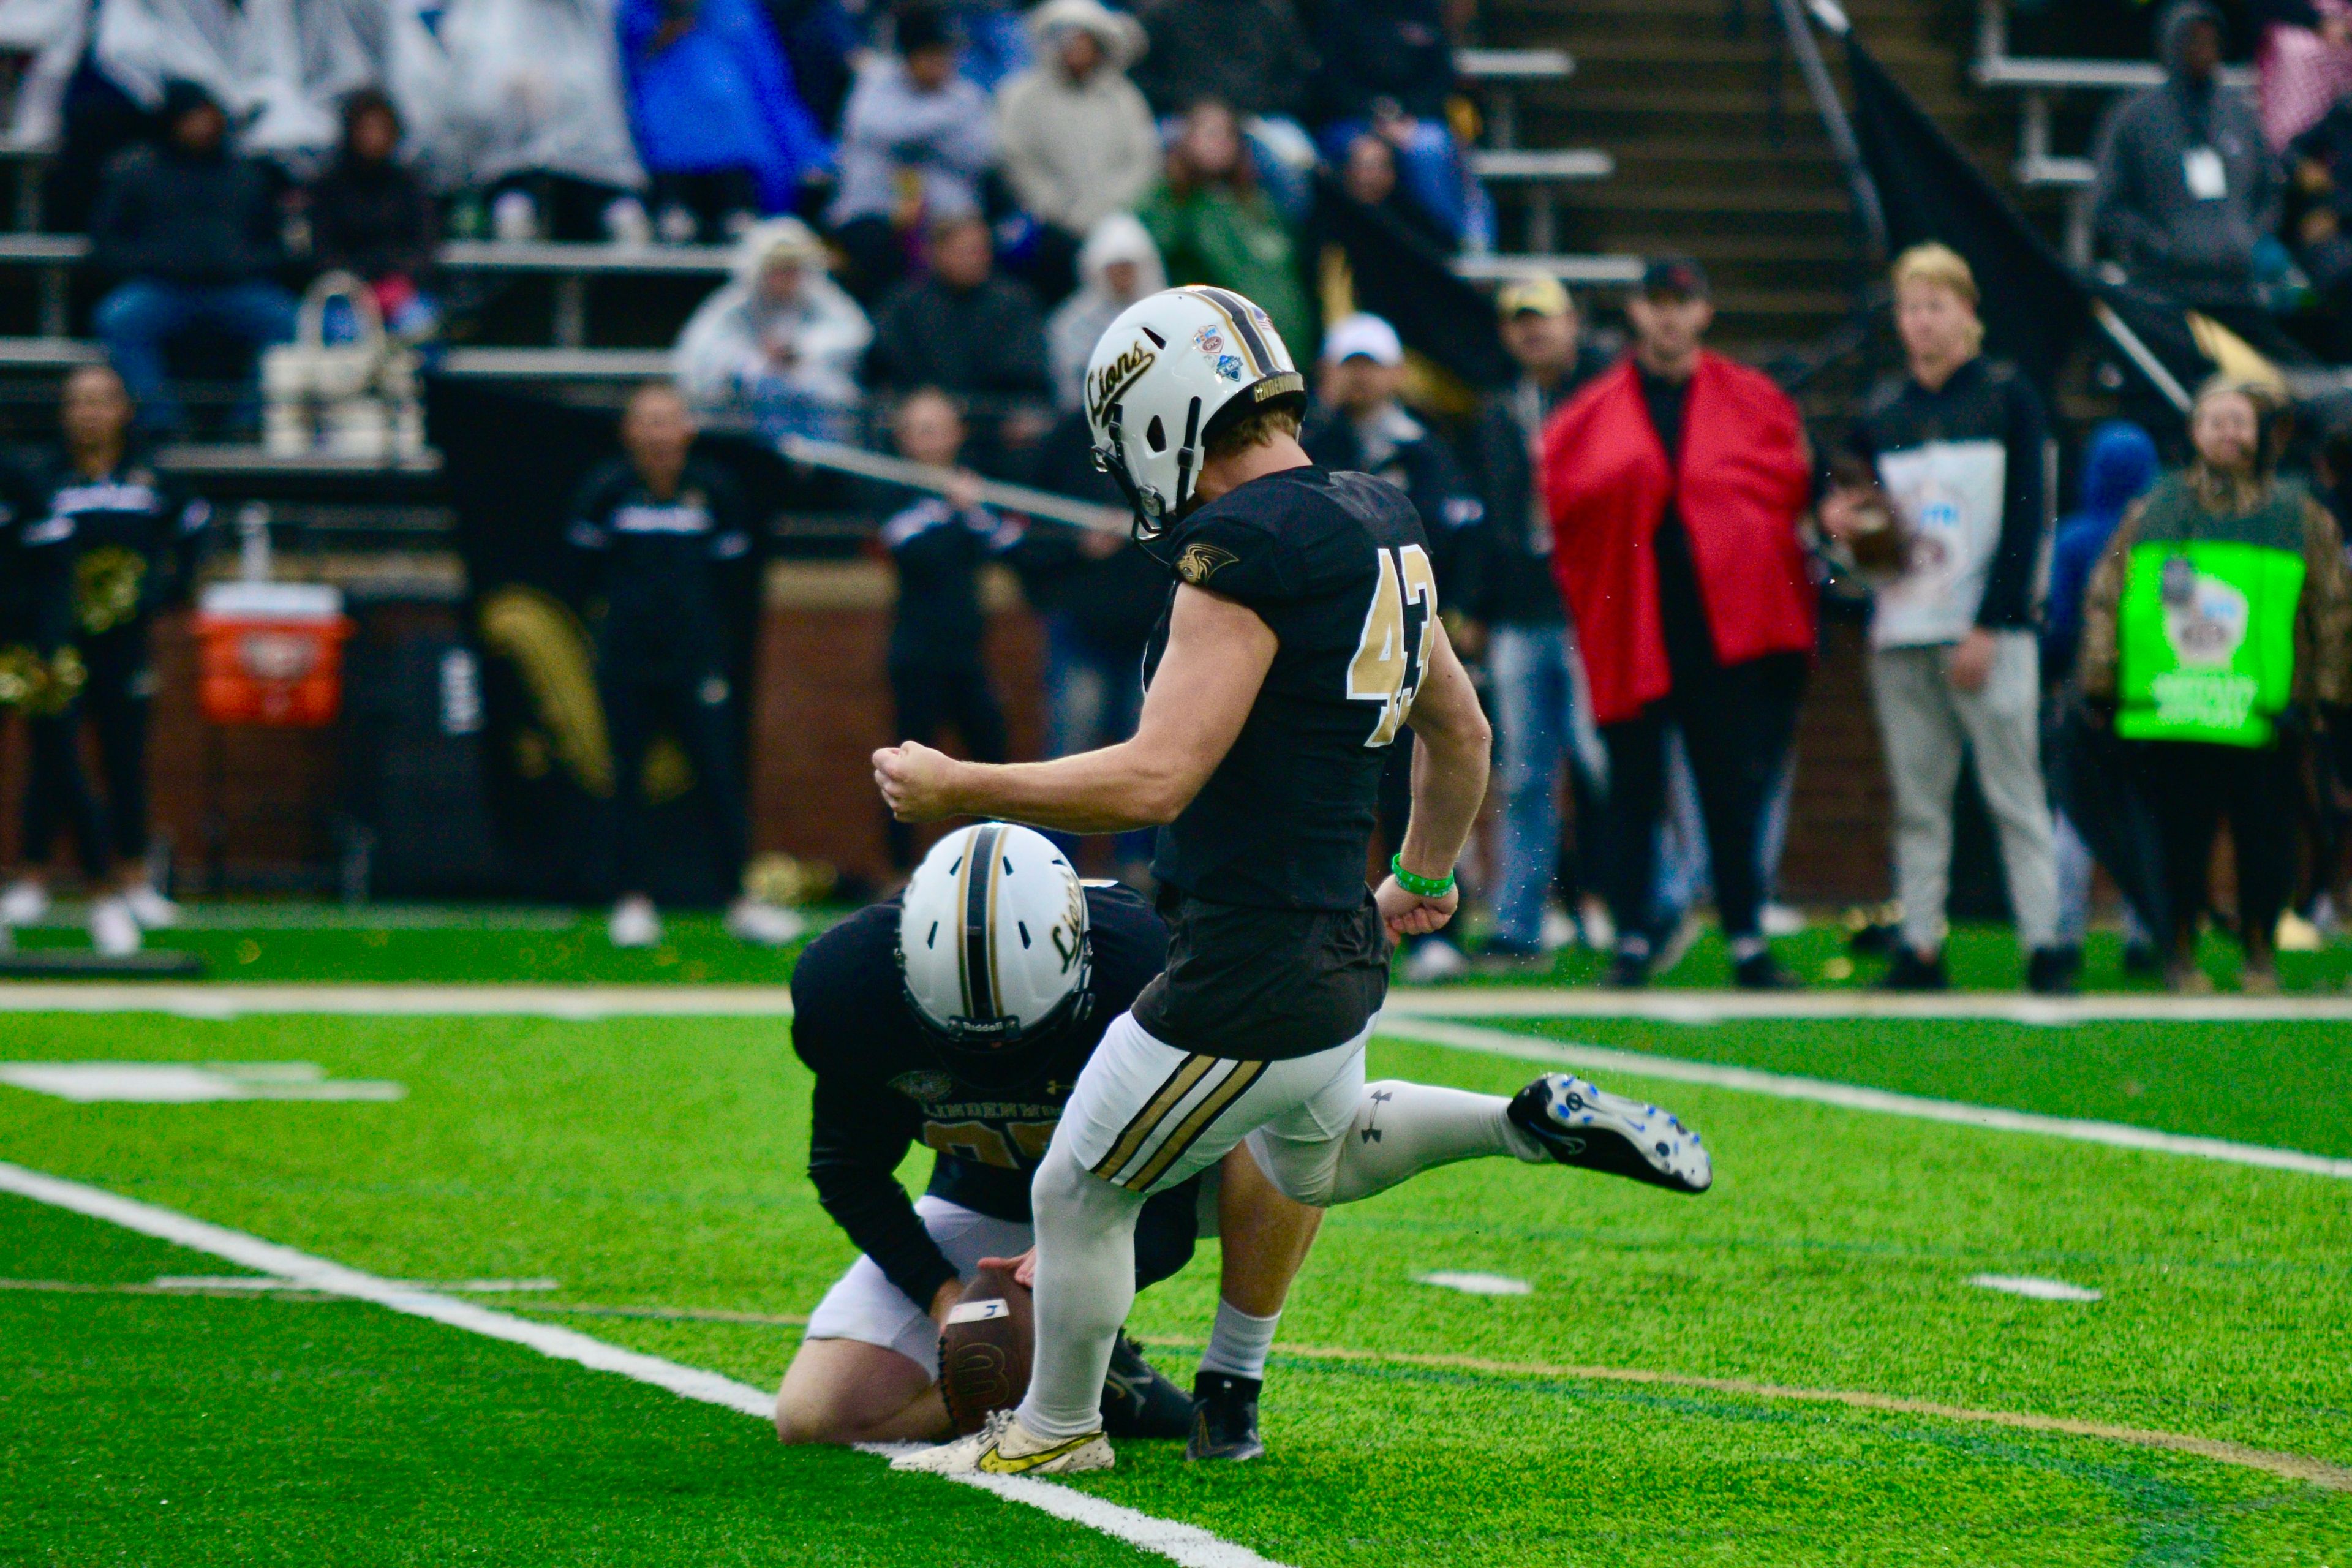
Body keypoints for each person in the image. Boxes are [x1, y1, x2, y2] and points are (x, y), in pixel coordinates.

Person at [875, 284, 1717, 1479]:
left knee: (1077, 1186)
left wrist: (964, 784)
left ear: (1164, 420)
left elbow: (1157, 780)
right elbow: (1463, 732)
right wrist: (1423, 870)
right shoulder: (1383, 512)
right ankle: (1520, 1120)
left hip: (1247, 962)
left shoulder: (1243, 549)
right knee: (1313, 1159)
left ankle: (1056, 1430)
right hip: (1338, 940)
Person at [777, 821, 1324, 1459]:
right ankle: (1086, 1378)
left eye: (1023, 1040)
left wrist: (1073, 1272)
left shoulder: (1153, 969)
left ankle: (1231, 1382)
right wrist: (943, 1294)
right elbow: (848, 1168)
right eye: (968, 1044)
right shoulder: (849, 987)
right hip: (990, 1187)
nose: (999, 1063)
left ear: (1082, 964)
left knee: (1291, 1104)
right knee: (819, 1414)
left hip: (1158, 1181)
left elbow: (1172, 1198)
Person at [1542, 258, 1814, 990]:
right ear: (1637, 312)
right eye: (1656, 302)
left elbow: (1779, 497)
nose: (1668, 316)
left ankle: (1746, 935)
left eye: (1681, 303)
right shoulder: (1590, 416)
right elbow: (1569, 507)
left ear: (1703, 312)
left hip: (1720, 628)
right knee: (1632, 788)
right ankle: (1636, 934)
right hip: (1633, 625)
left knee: (1730, 788)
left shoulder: (1749, 402)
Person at [1820, 244, 2067, 994]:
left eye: (1935, 305)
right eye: (1911, 307)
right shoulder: (1886, 410)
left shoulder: (2007, 394)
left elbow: (2030, 515)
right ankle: (1919, 946)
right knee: (1919, 803)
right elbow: (1844, 495)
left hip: (1986, 631)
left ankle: (2046, 945)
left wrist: (1993, 622)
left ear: (1968, 312)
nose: (1922, 322)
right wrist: (1838, 515)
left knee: (2014, 793)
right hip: (1904, 624)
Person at [2077, 377, 2352, 993]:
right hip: (2178, 709)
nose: (2229, 432)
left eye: (2240, 421)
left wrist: (2331, 698)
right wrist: (2101, 680)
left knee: (2268, 839)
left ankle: (2260, 949)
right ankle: (2180, 951)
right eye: (2215, 420)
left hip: (2268, 713)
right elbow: (2107, 597)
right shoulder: (2153, 511)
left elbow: (2334, 609)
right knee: (2180, 839)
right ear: (2194, 433)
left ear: (2260, 434)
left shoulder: (2298, 514)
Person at [564, 383, 801, 950]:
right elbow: (583, 574)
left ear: (687, 430)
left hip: (697, 665)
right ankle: (632, 900)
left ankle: (739, 901)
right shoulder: (607, 492)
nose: (657, 435)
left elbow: (732, 579)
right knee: (627, 780)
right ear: (628, 432)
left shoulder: (714, 491)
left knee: (720, 777)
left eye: (667, 422)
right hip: (627, 662)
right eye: (646, 422)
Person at [0, 363, 209, 955]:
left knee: (95, 759)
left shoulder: (27, 475)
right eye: (78, 403)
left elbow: (49, 562)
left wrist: (161, 595)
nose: (88, 415)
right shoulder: (47, 470)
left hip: (57, 646)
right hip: (34, 638)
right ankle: (32, 877)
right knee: (50, 766)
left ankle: (115, 888)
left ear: (125, 409)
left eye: (101, 401)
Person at [1301, 311, 1483, 982]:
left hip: (1407, 647)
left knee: (1425, 781)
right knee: (1334, 792)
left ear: (1396, 373)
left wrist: (1459, 613)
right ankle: (1331, 928)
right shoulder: (1309, 446)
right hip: (1328, 652)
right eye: (1348, 363)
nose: (1359, 377)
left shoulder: (1425, 449)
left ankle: (1436, 922)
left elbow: (1459, 542)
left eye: (1369, 363)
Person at [1464, 277, 1613, 964]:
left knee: (1606, 761)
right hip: (1524, 610)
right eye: (1519, 321)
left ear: (1571, 324)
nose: (1532, 332)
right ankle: (1519, 921)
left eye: (1543, 320)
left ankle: (1652, 898)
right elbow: (1496, 517)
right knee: (1524, 772)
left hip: (1588, 606)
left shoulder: (1602, 398)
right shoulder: (1500, 411)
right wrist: (1479, 603)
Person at [89, 80, 298, 438]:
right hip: (163, 289)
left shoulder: (248, 175)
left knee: (286, 320)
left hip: (235, 290)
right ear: (173, 120)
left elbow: (277, 246)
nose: (200, 126)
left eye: (207, 116)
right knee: (119, 318)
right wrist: (155, 262)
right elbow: (106, 243)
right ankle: (160, 422)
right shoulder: (135, 171)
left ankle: (251, 422)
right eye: (191, 117)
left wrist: (241, 263)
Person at [875, 388, 1016, 872]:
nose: (930, 440)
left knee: (993, 764)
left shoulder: (973, 493)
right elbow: (921, 555)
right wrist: (961, 513)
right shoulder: (892, 490)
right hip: (916, 656)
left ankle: (1000, 870)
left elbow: (1007, 548)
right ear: (903, 438)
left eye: (938, 428)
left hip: (967, 654)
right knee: (905, 770)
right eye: (920, 429)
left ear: (958, 434)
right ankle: (897, 876)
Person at [2044, 421, 2163, 965]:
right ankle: (2144, 934)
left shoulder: (2073, 539)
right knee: (2145, 816)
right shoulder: (2164, 536)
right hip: (2149, 693)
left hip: (2086, 695)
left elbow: (2062, 624)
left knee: (2075, 817)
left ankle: (2066, 934)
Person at [2090, 1, 2282, 315]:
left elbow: (2270, 191)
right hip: (2163, 291)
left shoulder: (2240, 117)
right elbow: (2107, 204)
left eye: (2212, 41)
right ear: (2171, 43)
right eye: (2193, 40)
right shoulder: (2135, 118)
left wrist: (2250, 238)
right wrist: (2156, 244)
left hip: (2237, 290)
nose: (2204, 50)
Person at [620, 0, 831, 246]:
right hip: (666, 160)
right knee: (674, 233)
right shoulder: (636, 12)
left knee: (739, 231)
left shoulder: (738, 11)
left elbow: (771, 82)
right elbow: (626, 66)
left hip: (735, 161)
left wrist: (807, 150)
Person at [825, 4, 995, 303]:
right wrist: (942, 122)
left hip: (947, 217)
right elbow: (882, 128)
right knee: (875, 250)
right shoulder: (874, 84)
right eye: (930, 56)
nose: (940, 65)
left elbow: (981, 153)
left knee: (975, 248)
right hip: (877, 211)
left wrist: (919, 130)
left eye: (945, 55)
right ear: (908, 58)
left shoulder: (965, 93)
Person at [995, 0, 1160, 301]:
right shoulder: (1023, 98)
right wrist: (1059, 209)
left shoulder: (1123, 98)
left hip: (1115, 217)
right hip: (1053, 224)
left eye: (1083, 42)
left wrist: (1110, 207)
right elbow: (1019, 160)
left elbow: (1142, 160)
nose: (1075, 50)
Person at [867, 215, 1054, 469]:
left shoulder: (1014, 304)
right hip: (921, 426)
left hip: (993, 431)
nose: (974, 259)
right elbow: (884, 370)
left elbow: (1029, 378)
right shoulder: (905, 305)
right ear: (937, 252)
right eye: (963, 251)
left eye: (979, 251)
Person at [1140, 100, 1314, 356]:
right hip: (1216, 349)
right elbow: (1157, 244)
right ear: (1187, 139)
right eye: (1209, 133)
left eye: (1227, 134)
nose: (1218, 142)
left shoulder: (1257, 203)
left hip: (1284, 343)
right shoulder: (1172, 201)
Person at [1306, 0, 1483, 251]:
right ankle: (1341, 249)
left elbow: (1441, 79)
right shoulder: (1338, 9)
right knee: (1355, 154)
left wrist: (1407, 117)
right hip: (1350, 120)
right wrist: (1373, 116)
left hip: (1415, 121)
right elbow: (1328, 80)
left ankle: (1449, 247)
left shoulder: (1423, 9)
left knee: (1431, 148)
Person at [674, 217, 871, 440]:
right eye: (776, 269)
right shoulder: (735, 306)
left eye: (792, 268)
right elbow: (700, 355)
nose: (784, 278)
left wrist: (800, 350)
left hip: (814, 410)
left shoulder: (820, 299)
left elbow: (856, 334)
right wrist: (755, 362)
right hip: (747, 415)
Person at [306, 88, 439, 341]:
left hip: (401, 290)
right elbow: (322, 252)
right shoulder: (328, 187)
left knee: (420, 329)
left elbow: (425, 245)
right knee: (345, 335)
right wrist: (360, 288)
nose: (373, 137)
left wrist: (399, 282)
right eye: (366, 129)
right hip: (346, 293)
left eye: (381, 129)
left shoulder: (409, 185)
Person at [1047, 214, 1167, 413]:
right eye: (1115, 268)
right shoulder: (1073, 324)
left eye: (1127, 266)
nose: (1122, 275)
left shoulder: (1168, 312)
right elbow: (1069, 385)